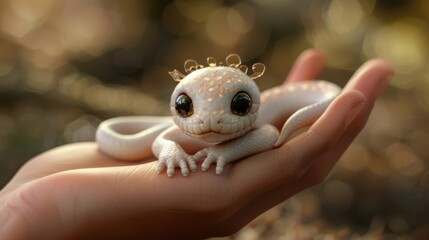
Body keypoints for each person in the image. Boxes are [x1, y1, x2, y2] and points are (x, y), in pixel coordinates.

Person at [0, 49, 393, 239]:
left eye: (238, 106)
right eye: (186, 107)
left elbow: (269, 134)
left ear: (252, 104)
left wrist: (223, 151)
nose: (208, 123)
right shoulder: (175, 133)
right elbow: (165, 142)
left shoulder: (260, 126)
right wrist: (172, 150)